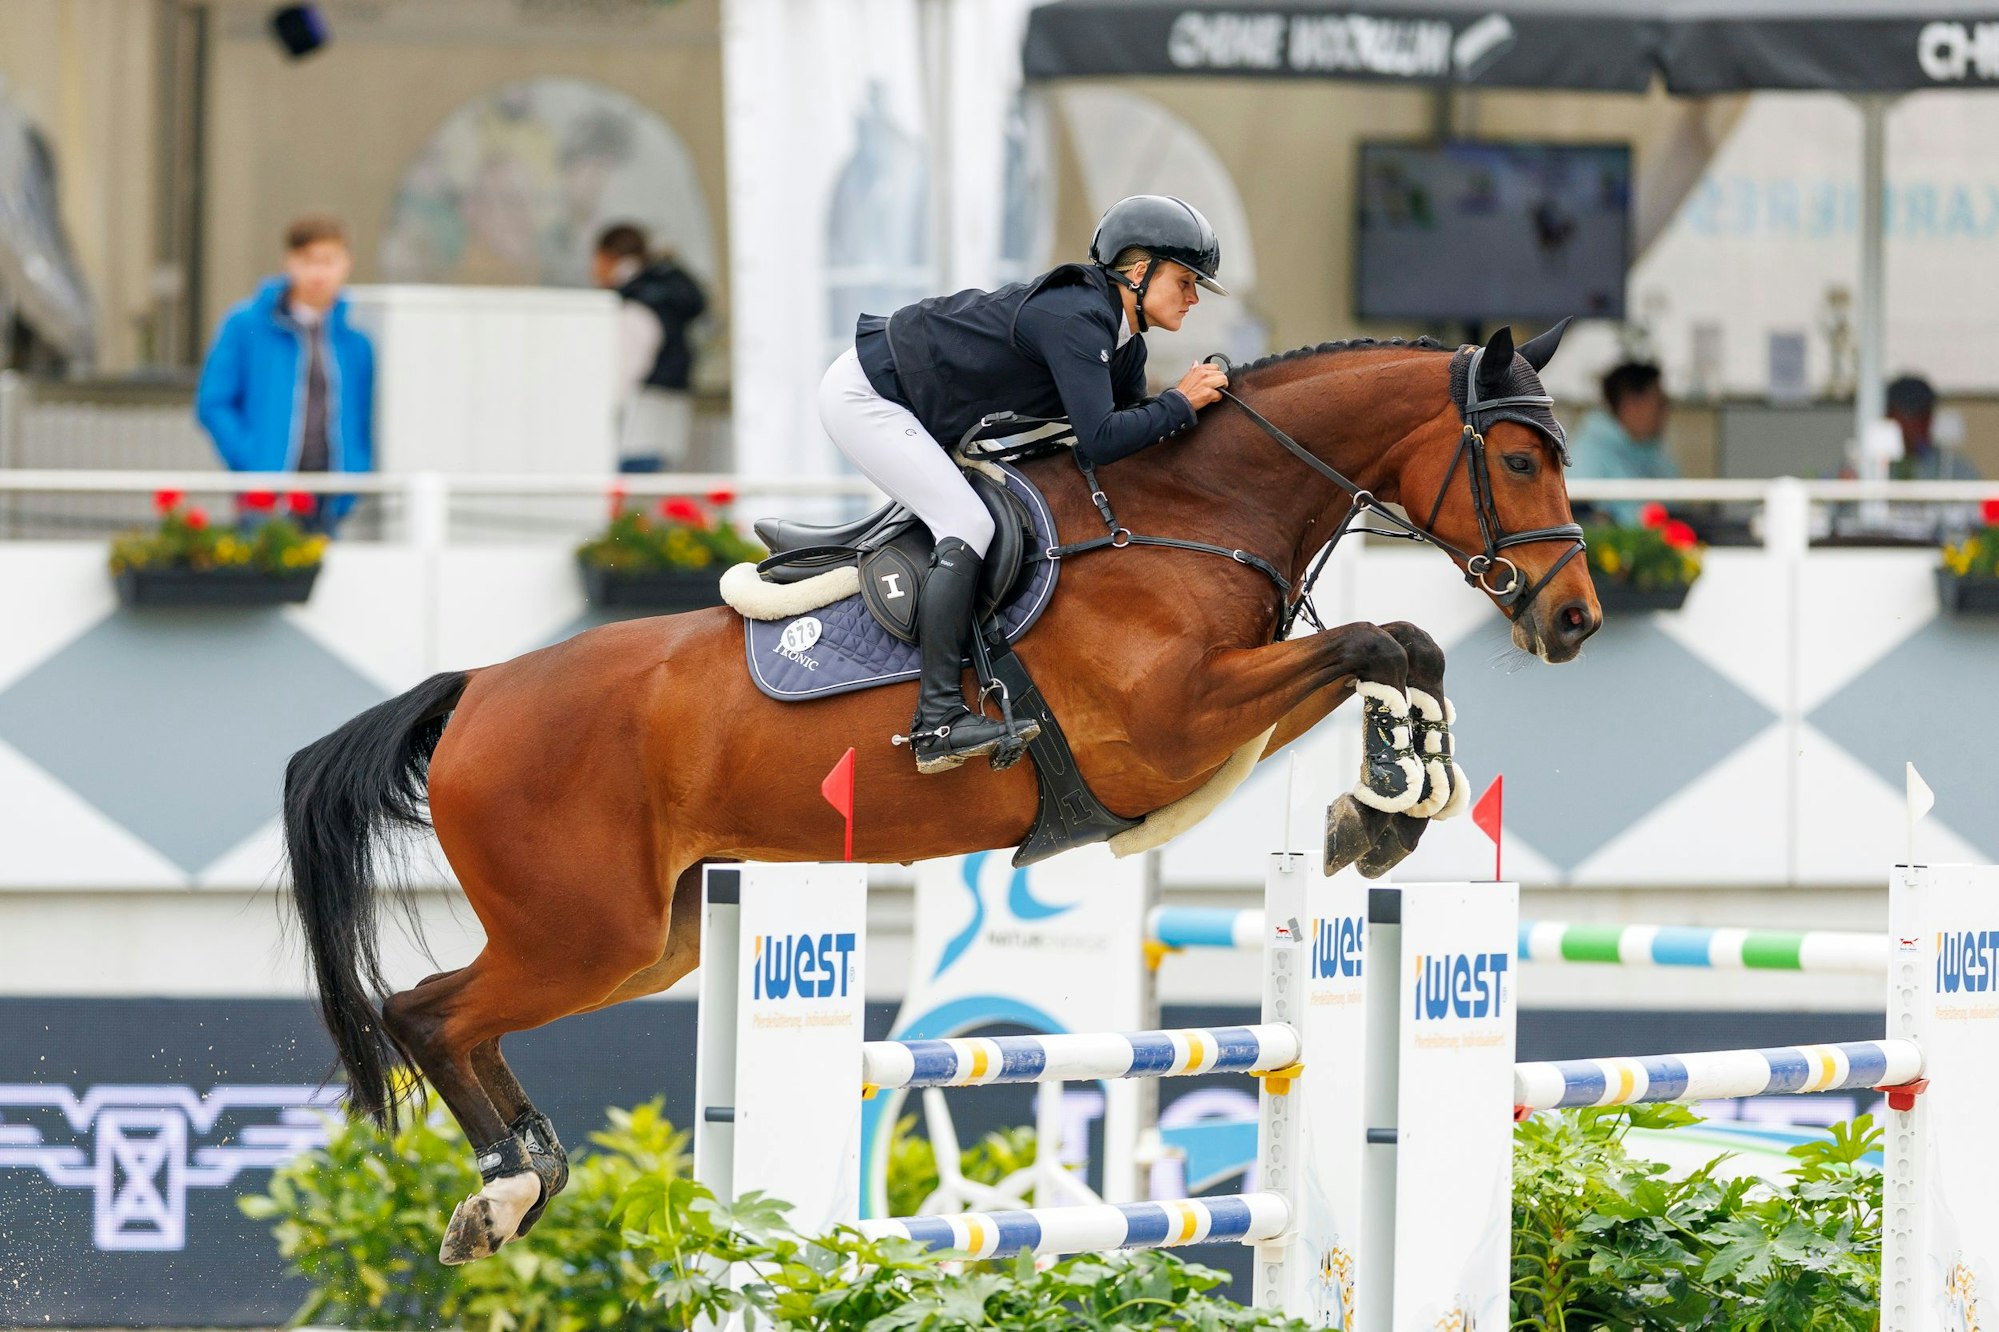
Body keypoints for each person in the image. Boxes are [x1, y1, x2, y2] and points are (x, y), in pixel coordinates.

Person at [821, 194, 1229, 774]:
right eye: (1186, 281)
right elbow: (1102, 439)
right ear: (1139, 273)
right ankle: (936, 721)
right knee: (967, 523)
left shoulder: (1124, 343)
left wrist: (1199, 414)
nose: (1193, 297)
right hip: (868, 397)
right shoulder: (1077, 318)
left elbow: (1137, 445)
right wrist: (1179, 402)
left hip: (917, 408)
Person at [195, 214, 374, 535]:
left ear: (346, 264)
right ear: (289, 262)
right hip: (266, 498)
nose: (318, 272)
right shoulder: (246, 324)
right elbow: (213, 402)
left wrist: (356, 471)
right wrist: (252, 462)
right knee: (262, 583)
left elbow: (363, 419)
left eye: (328, 261)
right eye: (308, 260)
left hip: (329, 498)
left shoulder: (355, 343)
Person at [593, 223, 707, 470]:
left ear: (611, 258)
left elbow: (626, 371)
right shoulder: (665, 297)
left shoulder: (636, 304)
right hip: (668, 426)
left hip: (638, 429)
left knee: (634, 505)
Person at [1567, 361, 1677, 526]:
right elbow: (1583, 516)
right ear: (1631, 404)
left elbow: (1675, 506)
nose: (1666, 411)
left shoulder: (1651, 449)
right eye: (1660, 403)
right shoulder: (1588, 452)